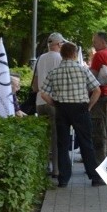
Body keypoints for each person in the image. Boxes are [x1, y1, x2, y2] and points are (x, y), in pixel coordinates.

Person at [40, 42, 104, 188]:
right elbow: (97, 90)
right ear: (75, 54)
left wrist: (55, 104)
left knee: (62, 144)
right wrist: (89, 106)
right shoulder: (83, 70)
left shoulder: (54, 72)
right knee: (86, 143)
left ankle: (63, 179)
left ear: (61, 54)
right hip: (81, 108)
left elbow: (43, 93)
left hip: (62, 109)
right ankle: (94, 177)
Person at [34, 33, 65, 178]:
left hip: (40, 101)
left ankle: (44, 166)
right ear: (59, 45)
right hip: (54, 102)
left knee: (44, 136)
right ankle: (56, 170)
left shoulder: (40, 58)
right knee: (56, 136)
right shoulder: (60, 58)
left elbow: (35, 83)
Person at [89, 32, 107, 161]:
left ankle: (99, 164)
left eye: (95, 42)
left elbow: (93, 77)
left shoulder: (99, 55)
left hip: (100, 96)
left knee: (98, 132)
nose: (93, 45)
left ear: (102, 42)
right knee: (106, 131)